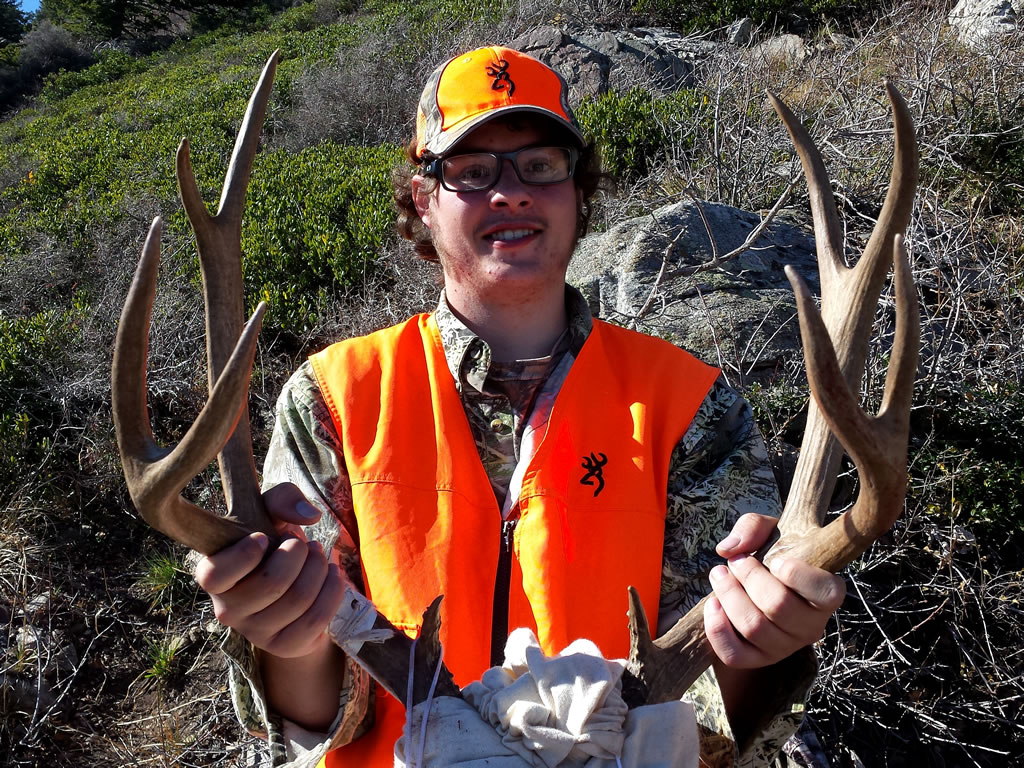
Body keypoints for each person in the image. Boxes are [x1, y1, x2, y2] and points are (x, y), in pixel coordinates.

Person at [194, 46, 845, 768]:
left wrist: (759, 642)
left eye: (540, 165)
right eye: (472, 173)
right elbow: (318, 720)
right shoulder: (334, 400)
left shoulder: (689, 404)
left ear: (577, 192)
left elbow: (714, 722)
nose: (511, 193)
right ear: (422, 201)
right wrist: (290, 637)